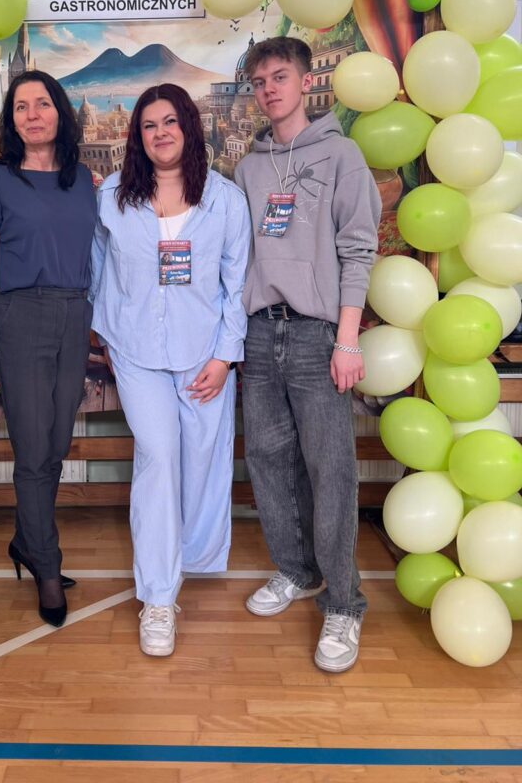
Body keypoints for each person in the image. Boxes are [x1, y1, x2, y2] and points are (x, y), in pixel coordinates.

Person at [233, 37, 381, 674]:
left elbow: (358, 249)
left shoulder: (341, 155)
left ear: (303, 81)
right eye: (259, 81)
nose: (269, 89)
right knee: (269, 461)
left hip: (319, 336)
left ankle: (343, 603)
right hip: (260, 332)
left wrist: (347, 339)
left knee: (331, 471)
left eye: (279, 77)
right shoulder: (248, 168)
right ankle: (296, 570)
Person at [90, 83, 250, 657]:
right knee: (158, 456)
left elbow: (237, 283)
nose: (160, 133)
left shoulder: (225, 200)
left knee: (203, 458)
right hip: (136, 353)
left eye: (170, 122)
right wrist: (107, 333)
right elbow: (98, 265)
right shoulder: (112, 195)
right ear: (137, 135)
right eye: (149, 125)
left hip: (203, 353)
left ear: (189, 127)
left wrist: (225, 356)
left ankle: (192, 557)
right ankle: (158, 597)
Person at [0, 70, 96, 628]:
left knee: (57, 442)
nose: (32, 115)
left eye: (41, 104)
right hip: (19, 316)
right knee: (32, 447)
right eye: (20, 107)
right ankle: (46, 563)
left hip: (75, 314)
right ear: (12, 120)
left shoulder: (83, 178)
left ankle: (27, 539)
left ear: (59, 112)